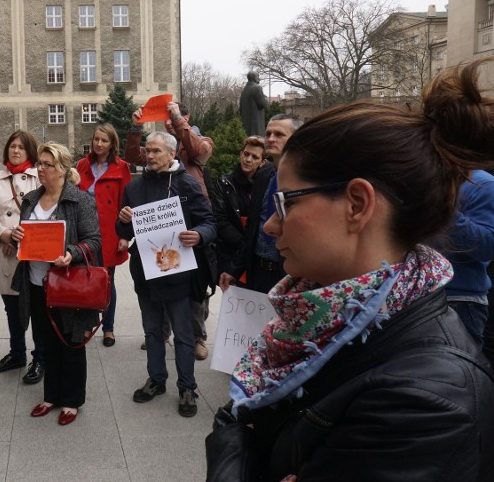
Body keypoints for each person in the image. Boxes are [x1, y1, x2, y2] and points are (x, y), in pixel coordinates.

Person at [205, 60, 494, 481]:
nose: (270, 224)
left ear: (357, 204)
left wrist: (234, 437)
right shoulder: (321, 319)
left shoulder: (425, 399)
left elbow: (242, 425)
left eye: (286, 202)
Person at [116, 131, 216, 418]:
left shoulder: (187, 184)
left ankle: (187, 387)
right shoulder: (134, 188)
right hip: (146, 273)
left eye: (156, 151)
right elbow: (123, 231)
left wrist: (198, 234)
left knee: (184, 335)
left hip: (177, 274)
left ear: (172, 153)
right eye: (148, 151)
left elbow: (209, 221)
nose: (149, 156)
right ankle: (157, 379)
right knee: (152, 330)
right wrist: (123, 223)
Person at [10, 142, 101, 426]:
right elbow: (27, 235)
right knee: (46, 342)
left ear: (62, 170)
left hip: (67, 285)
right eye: (39, 163)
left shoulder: (80, 200)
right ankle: (51, 396)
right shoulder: (30, 200)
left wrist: (71, 254)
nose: (40, 169)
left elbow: (94, 241)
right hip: (36, 283)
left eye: (47, 164)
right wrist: (17, 236)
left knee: (71, 342)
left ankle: (71, 400)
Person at [126, 101, 215, 359]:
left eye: (173, 116)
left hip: (190, 218)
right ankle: (161, 333)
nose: (168, 120)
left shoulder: (198, 141)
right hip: (159, 226)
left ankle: (197, 336)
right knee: (159, 276)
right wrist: (135, 127)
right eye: (166, 117)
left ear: (185, 117)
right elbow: (134, 157)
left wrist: (177, 121)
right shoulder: (154, 153)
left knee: (193, 292)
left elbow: (199, 151)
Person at [0, 130, 46, 384]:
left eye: (21, 147)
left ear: (30, 151)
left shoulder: (39, 176)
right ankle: (17, 353)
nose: (15, 151)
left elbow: (45, 209)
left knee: (38, 307)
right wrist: (4, 234)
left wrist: (19, 237)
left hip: (31, 252)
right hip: (3, 250)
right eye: (12, 146)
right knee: (11, 308)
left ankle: (40, 357)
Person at [219, 114, 302, 294]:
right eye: (268, 133)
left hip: (289, 275)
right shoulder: (263, 177)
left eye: (279, 134)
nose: (271, 139)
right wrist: (235, 269)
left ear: (296, 138)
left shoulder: (306, 180)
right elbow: (252, 228)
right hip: (257, 272)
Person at [76, 123, 132, 347]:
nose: (99, 144)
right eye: (96, 139)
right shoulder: (82, 165)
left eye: (104, 140)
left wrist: (125, 236)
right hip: (84, 232)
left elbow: (126, 203)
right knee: (86, 279)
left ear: (112, 144)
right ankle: (87, 325)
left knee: (107, 281)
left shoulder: (122, 167)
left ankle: (108, 328)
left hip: (110, 232)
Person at [433, 169, 494, 345]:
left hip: (458, 300)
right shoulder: (419, 175)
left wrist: (446, 213)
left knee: (455, 368)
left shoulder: (483, 183)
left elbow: (489, 247)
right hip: (408, 296)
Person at [212, 136, 266, 282]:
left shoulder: (266, 185)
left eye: (255, 157)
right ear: (240, 154)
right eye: (246, 154)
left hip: (256, 254)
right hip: (230, 252)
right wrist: (244, 243)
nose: (248, 160)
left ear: (262, 162)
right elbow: (218, 218)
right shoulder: (224, 182)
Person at [239, 71, 268, 137]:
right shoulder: (257, 88)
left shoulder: (244, 90)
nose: (259, 79)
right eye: (258, 76)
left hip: (246, 123)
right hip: (256, 122)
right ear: (254, 78)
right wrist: (266, 101)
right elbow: (262, 104)